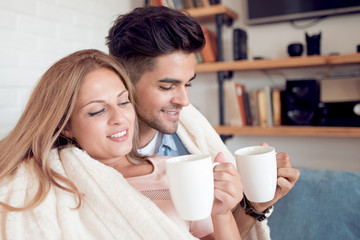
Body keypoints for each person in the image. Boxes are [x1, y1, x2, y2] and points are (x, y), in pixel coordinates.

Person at [0, 49, 242, 240]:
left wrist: (221, 215)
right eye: (97, 111)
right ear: (66, 126)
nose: (119, 118)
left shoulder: (174, 172)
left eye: (124, 102)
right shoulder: (44, 182)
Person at [106, 5, 300, 240]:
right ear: (122, 81)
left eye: (188, 84)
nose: (185, 101)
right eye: (167, 87)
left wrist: (255, 206)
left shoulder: (188, 140)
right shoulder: (90, 154)